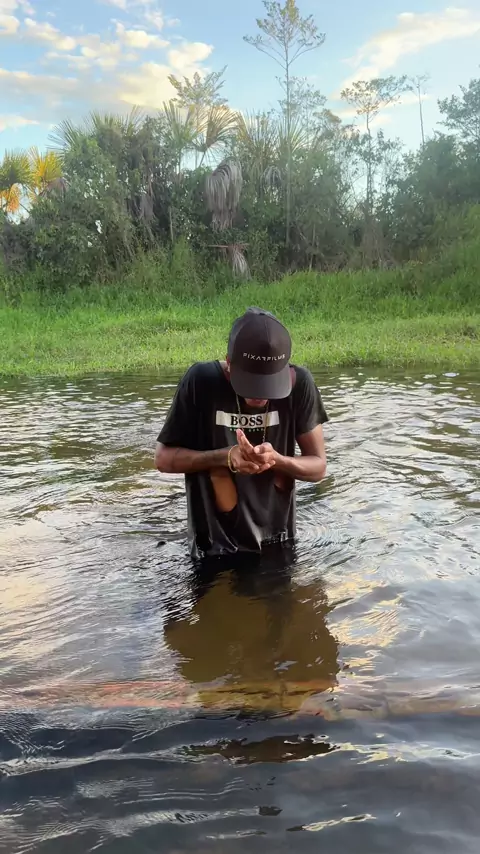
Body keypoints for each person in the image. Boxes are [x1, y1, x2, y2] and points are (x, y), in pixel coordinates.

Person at [155, 307, 328, 559]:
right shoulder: (201, 382)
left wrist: (277, 460)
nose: (260, 395)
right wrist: (225, 457)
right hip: (210, 548)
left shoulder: (299, 384)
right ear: (229, 363)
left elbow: (318, 467)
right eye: (251, 383)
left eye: (269, 384)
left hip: (279, 542)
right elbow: (163, 459)